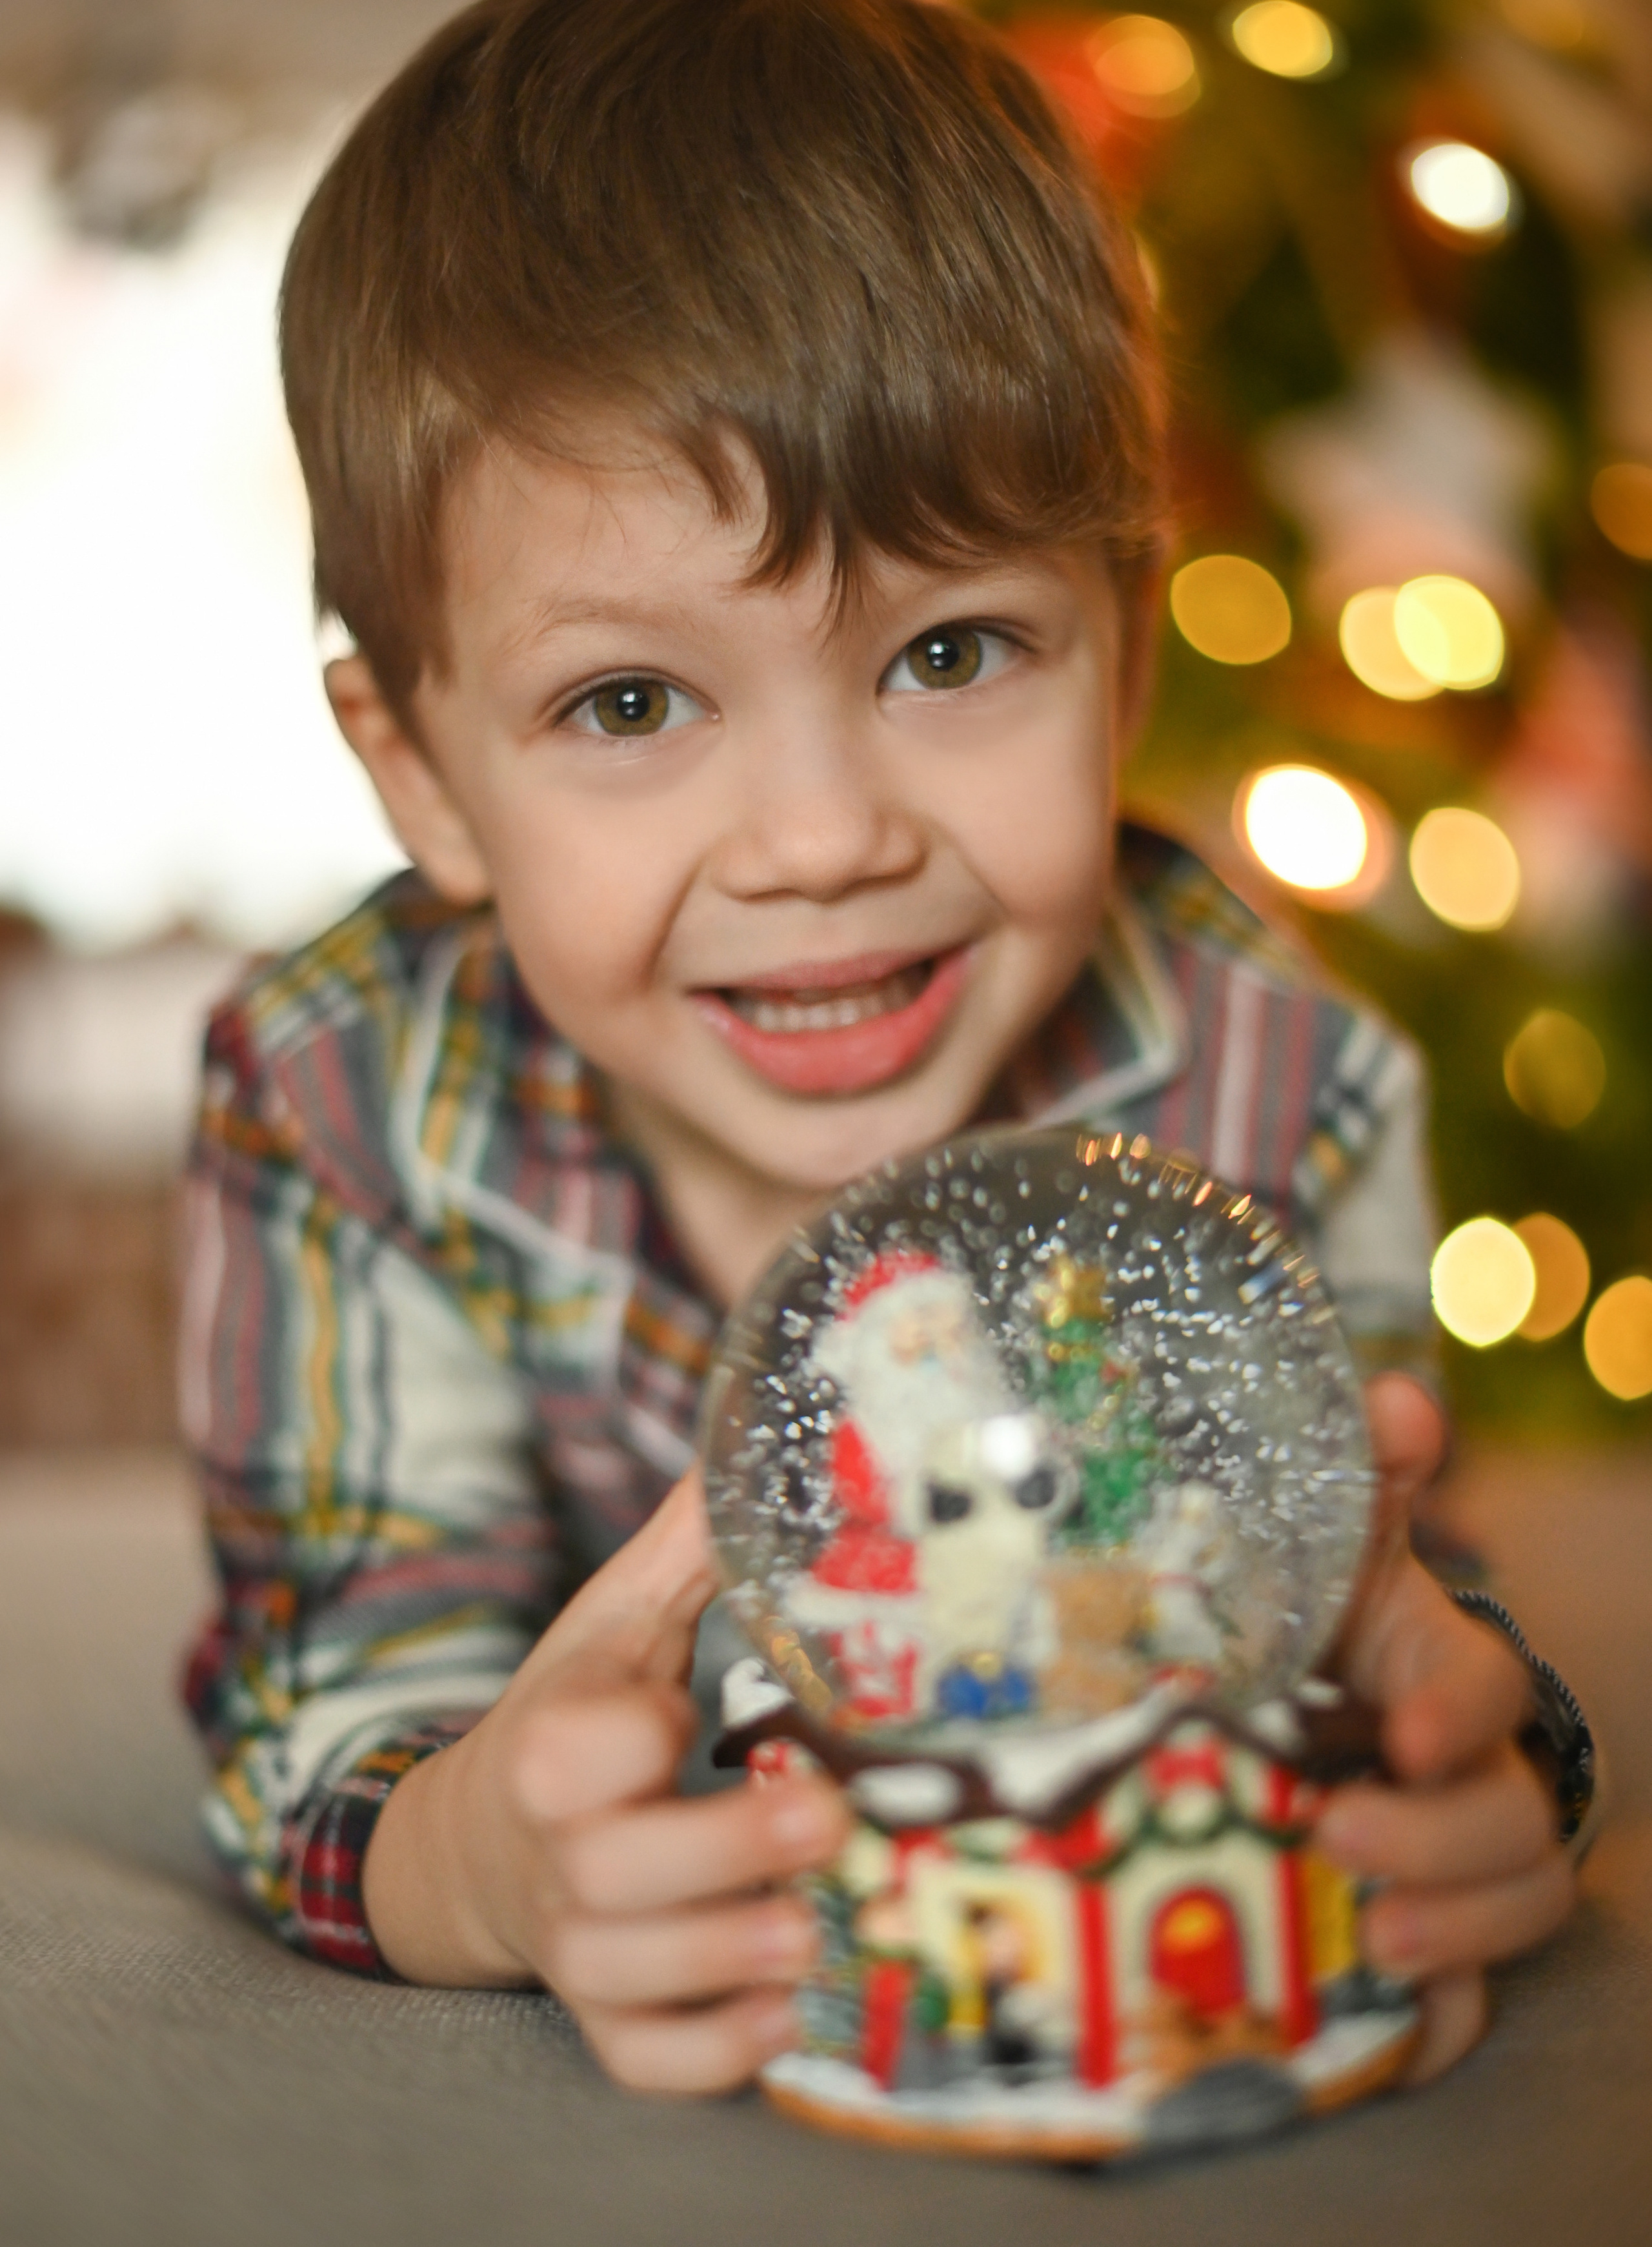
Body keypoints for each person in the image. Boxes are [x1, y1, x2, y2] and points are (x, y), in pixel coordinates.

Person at [181, 0, 1588, 2098]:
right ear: (429, 780)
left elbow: (1385, 1613)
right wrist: (490, 1860)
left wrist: (1475, 1773)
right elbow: (337, 1694)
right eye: (634, 705)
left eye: (950, 651)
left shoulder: (1270, 1072)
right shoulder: (341, 1098)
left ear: (1121, 661)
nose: (829, 841)